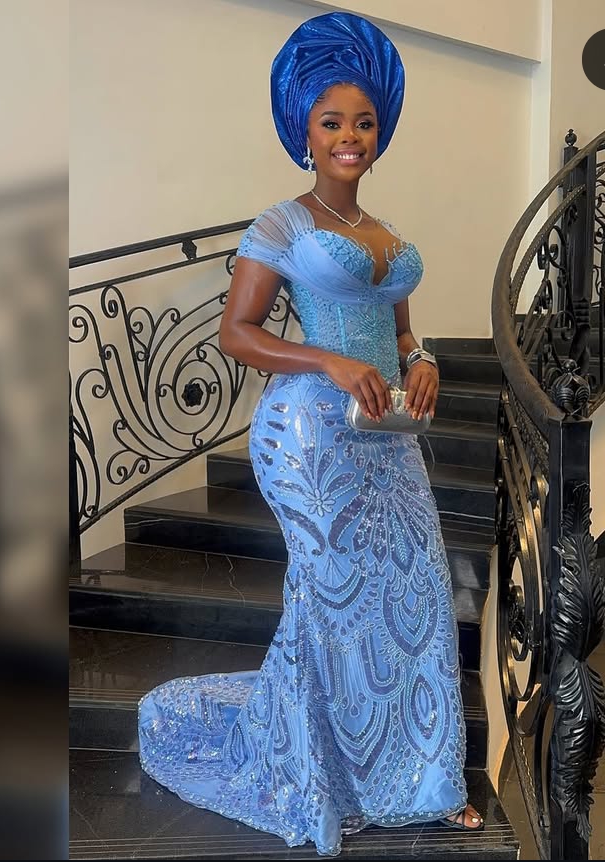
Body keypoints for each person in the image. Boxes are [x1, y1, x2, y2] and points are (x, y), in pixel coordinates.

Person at [138, 11, 483, 856]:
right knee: (334, 604)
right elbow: (237, 333)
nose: (350, 137)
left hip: (386, 433)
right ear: (305, 132)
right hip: (306, 439)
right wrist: (327, 360)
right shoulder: (282, 227)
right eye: (332, 122)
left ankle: (425, 781)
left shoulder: (387, 235)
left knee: (418, 596)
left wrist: (425, 361)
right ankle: (325, 779)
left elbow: (402, 334)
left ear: (379, 132)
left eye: (363, 122)